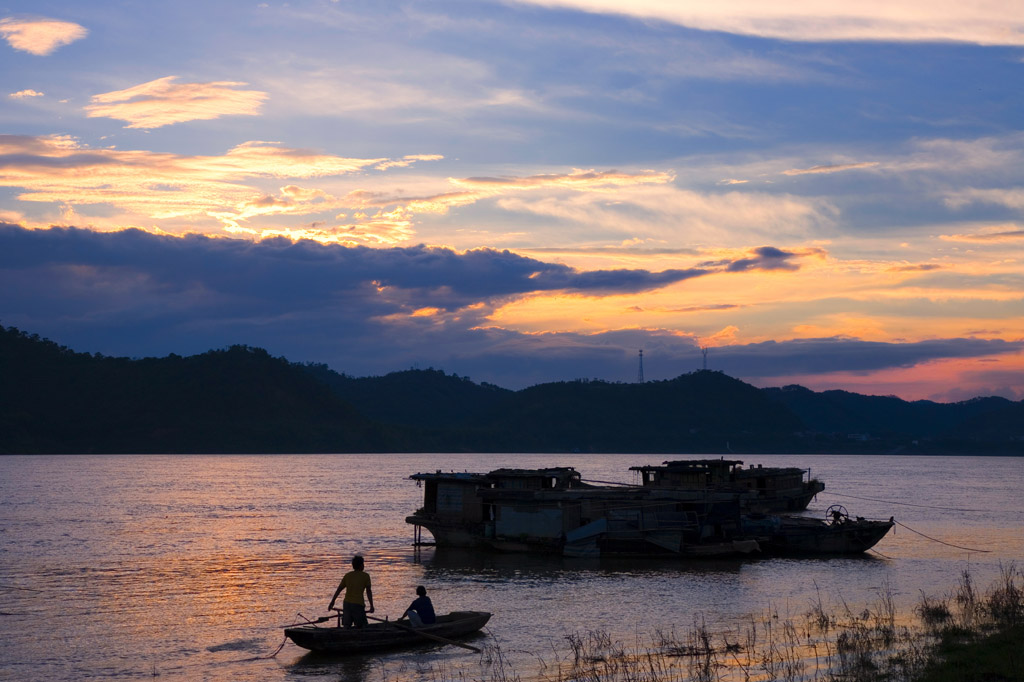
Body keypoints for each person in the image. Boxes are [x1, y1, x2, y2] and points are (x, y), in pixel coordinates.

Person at [327, 555, 374, 628]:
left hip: (347, 604)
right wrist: (371, 605)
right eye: (363, 564)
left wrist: (332, 602)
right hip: (358, 604)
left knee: (347, 626)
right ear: (361, 565)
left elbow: (339, 589)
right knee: (362, 626)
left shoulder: (348, 575)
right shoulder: (365, 576)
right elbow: (368, 592)